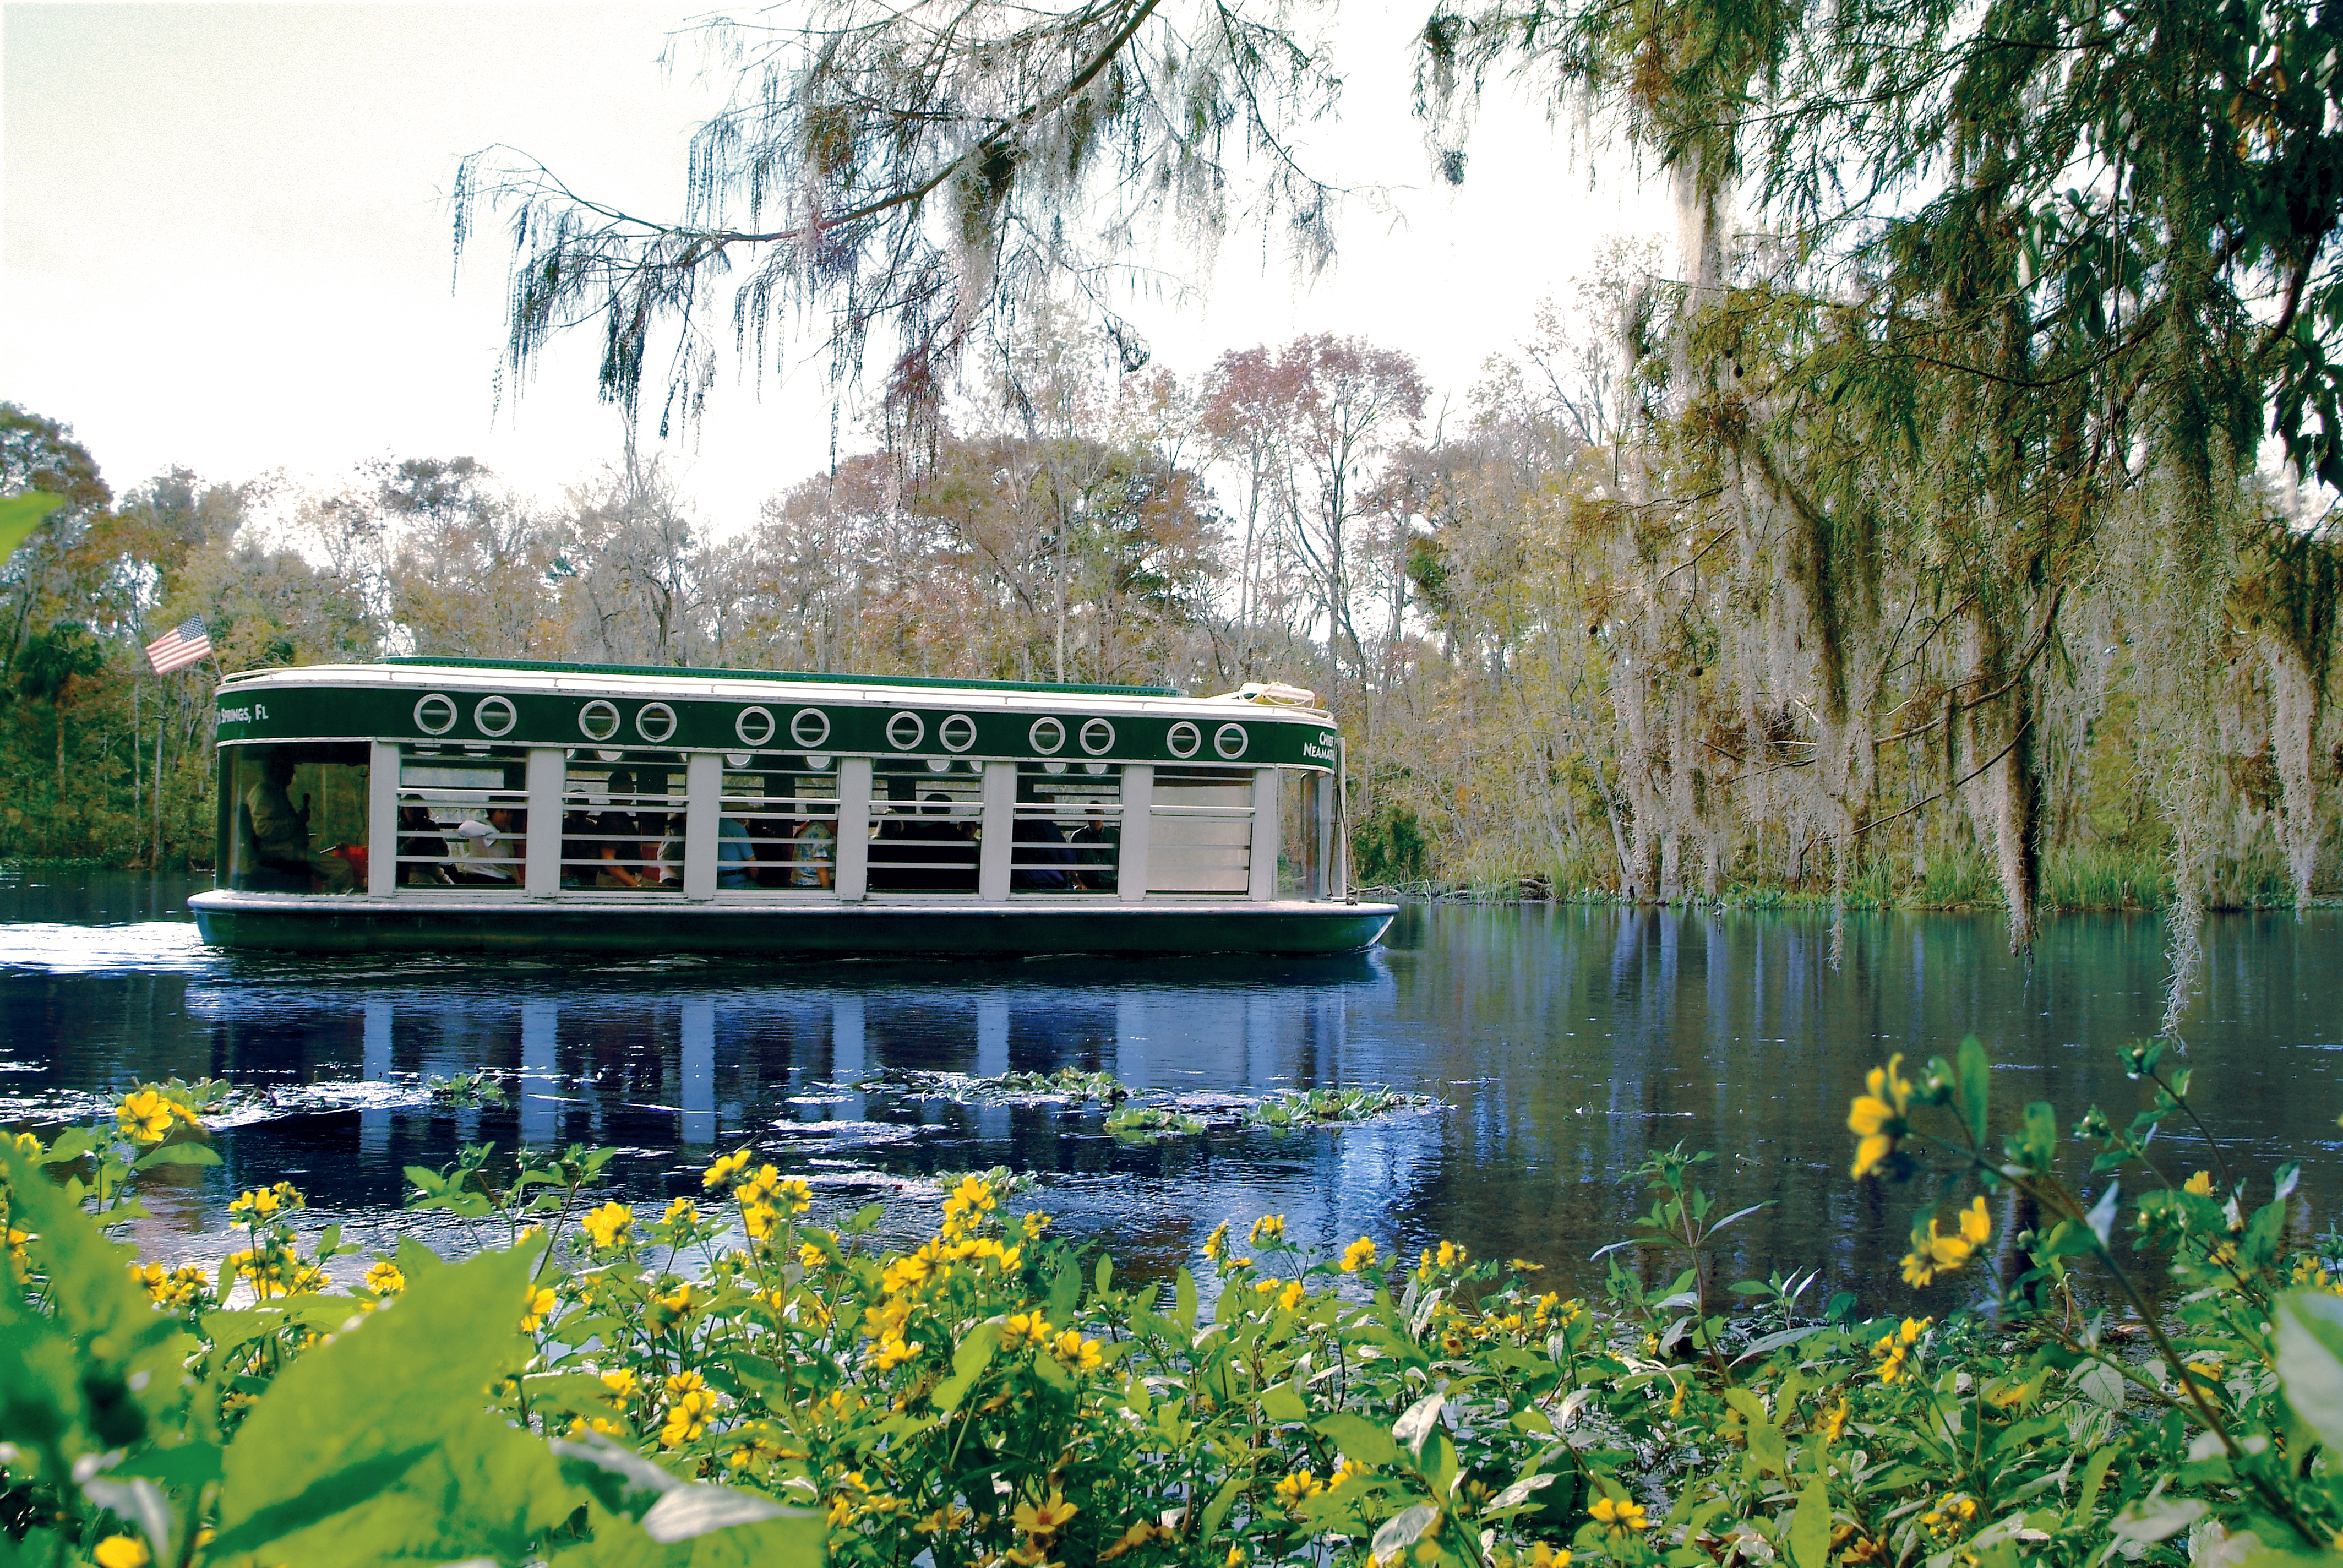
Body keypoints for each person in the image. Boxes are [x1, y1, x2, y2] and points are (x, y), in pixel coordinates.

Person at [238, 753, 355, 893]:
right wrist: (297, 822)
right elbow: (263, 829)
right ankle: (335, 906)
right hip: (284, 852)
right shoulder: (264, 792)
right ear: (278, 770)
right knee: (342, 869)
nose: (292, 775)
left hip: (291, 850)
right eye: (289, 769)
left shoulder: (274, 792)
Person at [396, 797, 452, 886]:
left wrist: (429, 848)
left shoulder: (431, 827)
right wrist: (412, 841)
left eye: (417, 808)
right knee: (433, 890)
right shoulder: (398, 829)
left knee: (453, 889)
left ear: (423, 810)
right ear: (403, 809)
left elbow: (444, 852)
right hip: (410, 873)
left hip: (435, 871)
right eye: (409, 808)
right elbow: (396, 855)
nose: (413, 812)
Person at [789, 814, 835, 889]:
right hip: (814, 884)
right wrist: (828, 892)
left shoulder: (810, 828)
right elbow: (821, 866)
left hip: (799, 882)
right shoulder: (821, 833)